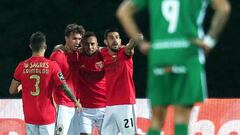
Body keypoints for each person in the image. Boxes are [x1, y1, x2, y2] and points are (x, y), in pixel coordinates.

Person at [116, 0, 231, 135]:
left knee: (157, 119)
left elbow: (123, 12)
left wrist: (142, 44)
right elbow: (224, 8)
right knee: (181, 117)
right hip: (187, 54)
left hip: (159, 55)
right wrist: (210, 41)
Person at [9, 32, 81, 135]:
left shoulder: (22, 66)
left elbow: (12, 91)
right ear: (45, 46)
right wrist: (75, 101)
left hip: (30, 115)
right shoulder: (52, 66)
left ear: (30, 46)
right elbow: (64, 87)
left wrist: (20, 87)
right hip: (47, 116)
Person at [100, 28, 142, 135]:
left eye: (117, 37)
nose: (115, 40)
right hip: (109, 105)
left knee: (130, 133)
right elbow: (92, 47)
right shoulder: (103, 53)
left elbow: (133, 43)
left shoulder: (125, 52)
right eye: (111, 38)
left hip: (126, 104)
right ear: (106, 42)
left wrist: (136, 39)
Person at [49, 24, 85, 135]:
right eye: (74, 38)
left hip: (77, 106)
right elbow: (49, 78)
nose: (77, 42)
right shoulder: (58, 56)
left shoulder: (78, 54)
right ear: (66, 38)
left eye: (79, 39)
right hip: (62, 104)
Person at [78, 32, 106, 135]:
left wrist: (102, 49)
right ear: (82, 45)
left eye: (92, 44)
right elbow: (59, 48)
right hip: (84, 109)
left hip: (104, 107)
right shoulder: (77, 56)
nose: (89, 47)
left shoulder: (103, 55)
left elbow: (118, 50)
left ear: (97, 44)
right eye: (86, 44)